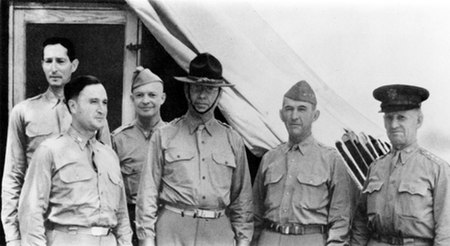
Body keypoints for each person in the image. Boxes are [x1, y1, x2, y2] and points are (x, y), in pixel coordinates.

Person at [1, 37, 111, 246]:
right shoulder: (24, 112)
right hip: (37, 224)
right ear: (42, 64)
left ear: (74, 65)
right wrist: (12, 236)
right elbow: (13, 175)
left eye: (60, 61)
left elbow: (106, 173)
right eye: (48, 61)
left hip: (80, 228)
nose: (53, 68)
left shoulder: (92, 113)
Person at [136, 53, 253, 246]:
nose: (202, 96)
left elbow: (243, 201)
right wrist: (147, 240)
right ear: (187, 89)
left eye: (210, 89)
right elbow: (147, 193)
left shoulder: (232, 139)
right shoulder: (164, 135)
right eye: (197, 88)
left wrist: (242, 242)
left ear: (219, 94)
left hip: (218, 233)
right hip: (172, 231)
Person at [18, 75, 132, 246]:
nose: (102, 109)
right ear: (73, 106)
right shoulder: (50, 151)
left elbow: (122, 217)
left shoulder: (109, 156)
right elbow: (31, 213)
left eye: (105, 102)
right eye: (93, 102)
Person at [252, 81, 356, 246]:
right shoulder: (269, 158)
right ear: (281, 114)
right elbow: (255, 214)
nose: (294, 116)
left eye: (302, 109)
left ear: (315, 115)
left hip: (310, 240)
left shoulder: (331, 160)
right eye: (289, 109)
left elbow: (340, 221)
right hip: (269, 238)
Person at [351, 84, 450, 245]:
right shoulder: (375, 167)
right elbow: (360, 225)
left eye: (401, 117)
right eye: (389, 118)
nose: (394, 124)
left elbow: (446, 232)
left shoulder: (437, 169)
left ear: (418, 121)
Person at [112, 67, 166, 245]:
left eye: (152, 95)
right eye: (139, 95)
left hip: (166, 221)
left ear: (162, 98)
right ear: (131, 99)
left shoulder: (174, 136)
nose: (146, 101)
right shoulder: (119, 139)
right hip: (131, 223)